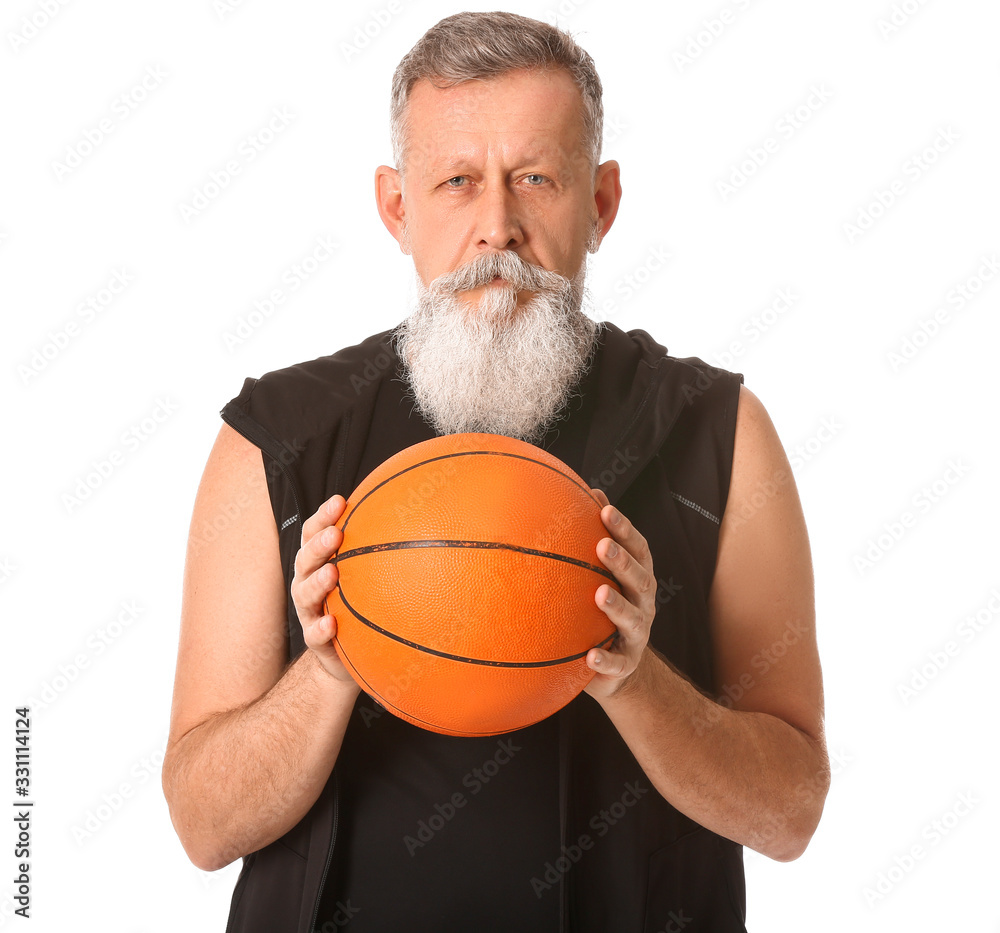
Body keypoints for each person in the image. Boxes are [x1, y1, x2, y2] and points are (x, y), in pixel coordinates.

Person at [162, 11, 829, 933]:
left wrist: (635, 676)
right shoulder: (275, 439)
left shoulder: (719, 432)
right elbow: (202, 825)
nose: (497, 230)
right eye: (457, 182)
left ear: (601, 204)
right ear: (397, 208)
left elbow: (791, 812)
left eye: (536, 179)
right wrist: (328, 670)